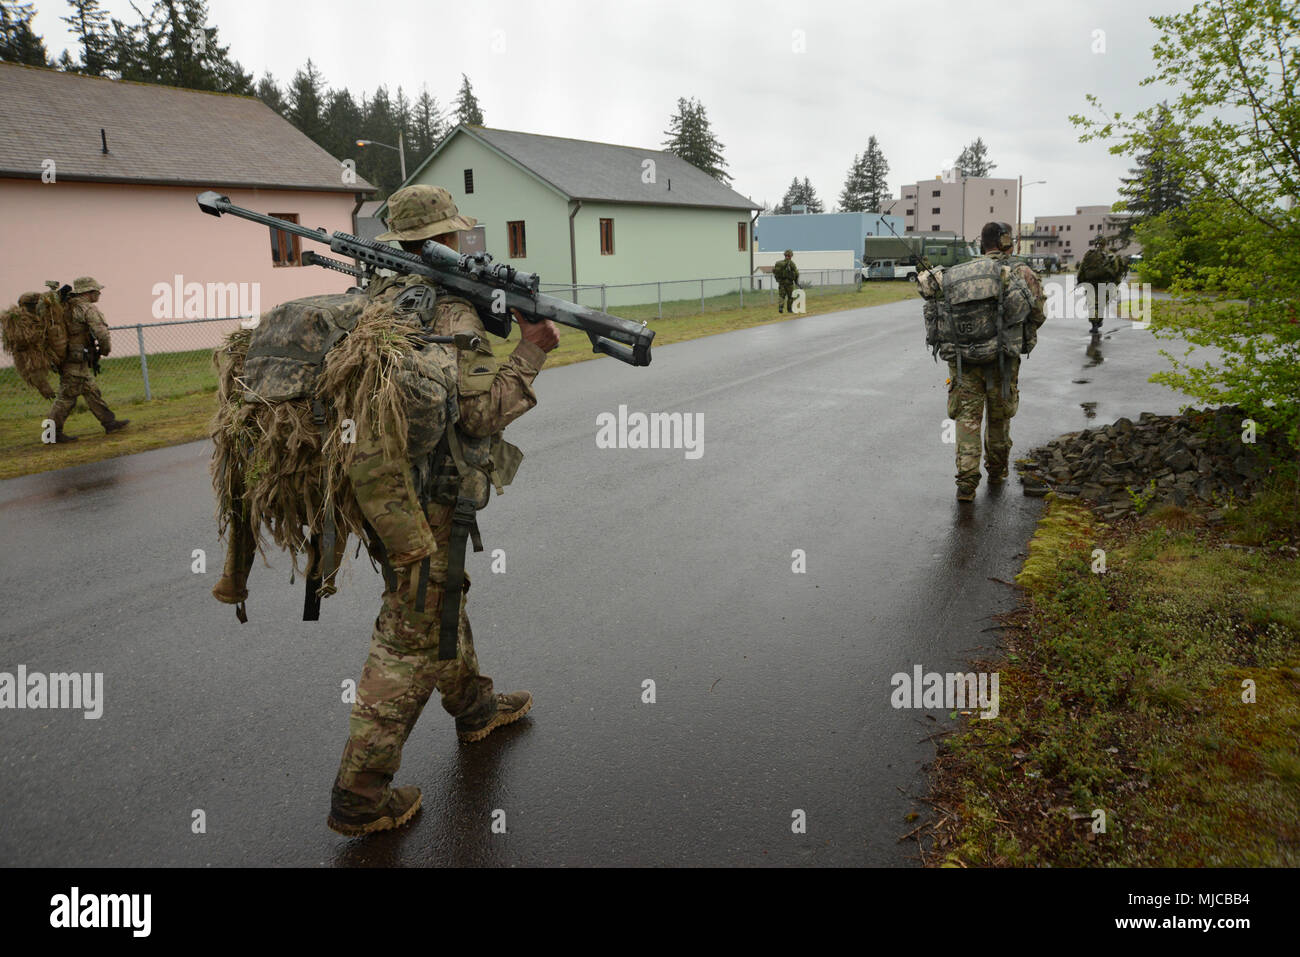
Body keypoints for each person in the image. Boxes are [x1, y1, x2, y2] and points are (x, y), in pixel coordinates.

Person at [327, 184, 560, 837]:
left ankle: (475, 704)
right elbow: (482, 414)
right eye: (455, 235)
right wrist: (533, 348)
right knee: (409, 633)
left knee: (439, 597)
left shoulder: (379, 299)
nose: (461, 244)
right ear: (443, 240)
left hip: (369, 485)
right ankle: (359, 794)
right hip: (421, 497)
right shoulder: (447, 315)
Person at [920, 222, 1045, 502]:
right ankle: (997, 472)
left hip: (964, 363)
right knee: (999, 419)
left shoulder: (959, 274)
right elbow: (1037, 313)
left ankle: (966, 485)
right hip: (1002, 361)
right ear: (1005, 241)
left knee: (967, 421)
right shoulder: (1019, 272)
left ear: (981, 244)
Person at [48, 277, 128, 442]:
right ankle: (50, 434)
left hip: (72, 359)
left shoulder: (66, 307)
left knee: (92, 392)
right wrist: (105, 350)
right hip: (75, 361)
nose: (99, 293)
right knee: (66, 398)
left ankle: (109, 423)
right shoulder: (87, 309)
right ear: (89, 292)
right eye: (97, 291)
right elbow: (102, 333)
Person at [1076, 234, 1128, 332]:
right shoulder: (1111, 255)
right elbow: (1117, 271)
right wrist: (1116, 285)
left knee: (1092, 304)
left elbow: (1081, 269)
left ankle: (1094, 324)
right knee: (1101, 304)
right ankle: (1098, 321)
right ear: (1105, 243)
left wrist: (1080, 281)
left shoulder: (1089, 254)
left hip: (1091, 284)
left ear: (1095, 243)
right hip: (1106, 284)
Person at [773, 249, 799, 313]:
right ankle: (789, 309)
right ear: (791, 256)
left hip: (781, 283)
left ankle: (781, 307)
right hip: (789, 283)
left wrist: (778, 280)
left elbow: (775, 272)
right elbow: (796, 273)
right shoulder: (791, 263)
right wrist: (796, 282)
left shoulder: (779, 263)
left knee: (782, 296)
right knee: (790, 297)